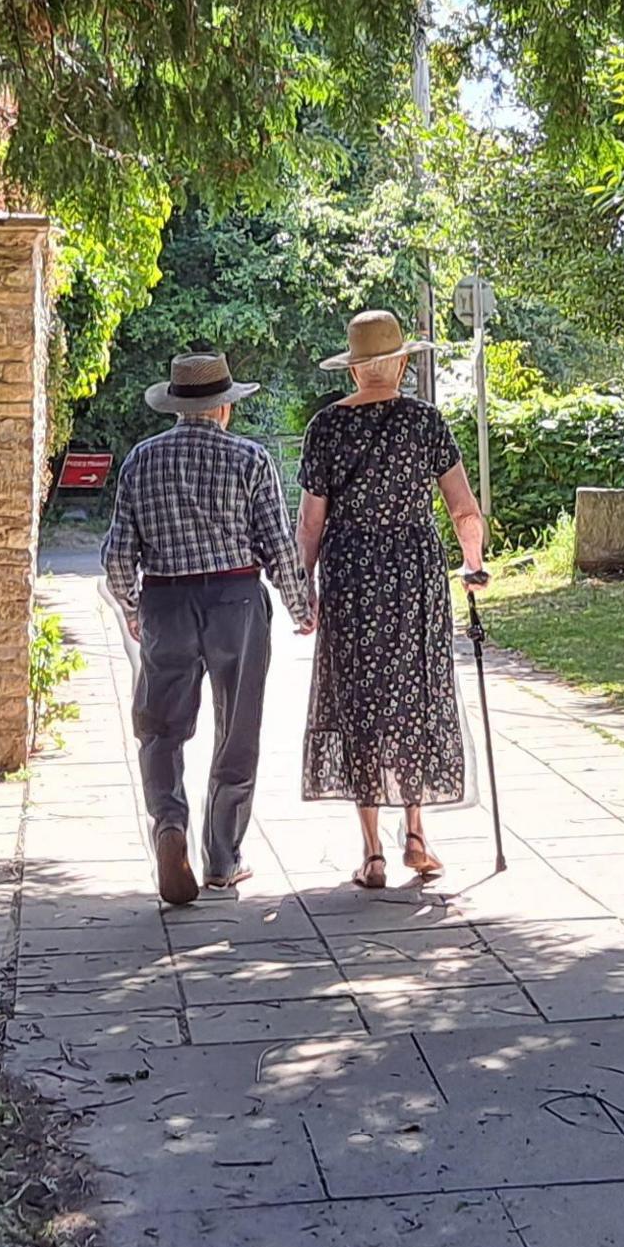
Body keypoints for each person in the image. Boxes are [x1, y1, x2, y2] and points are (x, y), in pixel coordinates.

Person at [99, 351, 312, 907]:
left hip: (167, 601)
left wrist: (131, 606)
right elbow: (277, 544)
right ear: (223, 409)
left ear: (176, 405)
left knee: (160, 728)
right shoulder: (251, 459)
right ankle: (222, 858)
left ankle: (170, 825)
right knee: (237, 728)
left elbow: (119, 554)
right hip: (236, 601)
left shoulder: (141, 461)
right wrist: (300, 607)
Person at [296, 309, 490, 888]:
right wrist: (473, 564)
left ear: (356, 371)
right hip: (414, 572)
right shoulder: (425, 423)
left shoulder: (326, 427)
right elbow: (463, 509)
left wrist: (302, 587)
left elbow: (310, 524)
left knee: (357, 696)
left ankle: (371, 853)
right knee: (414, 692)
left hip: (352, 573)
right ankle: (416, 834)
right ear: (402, 364)